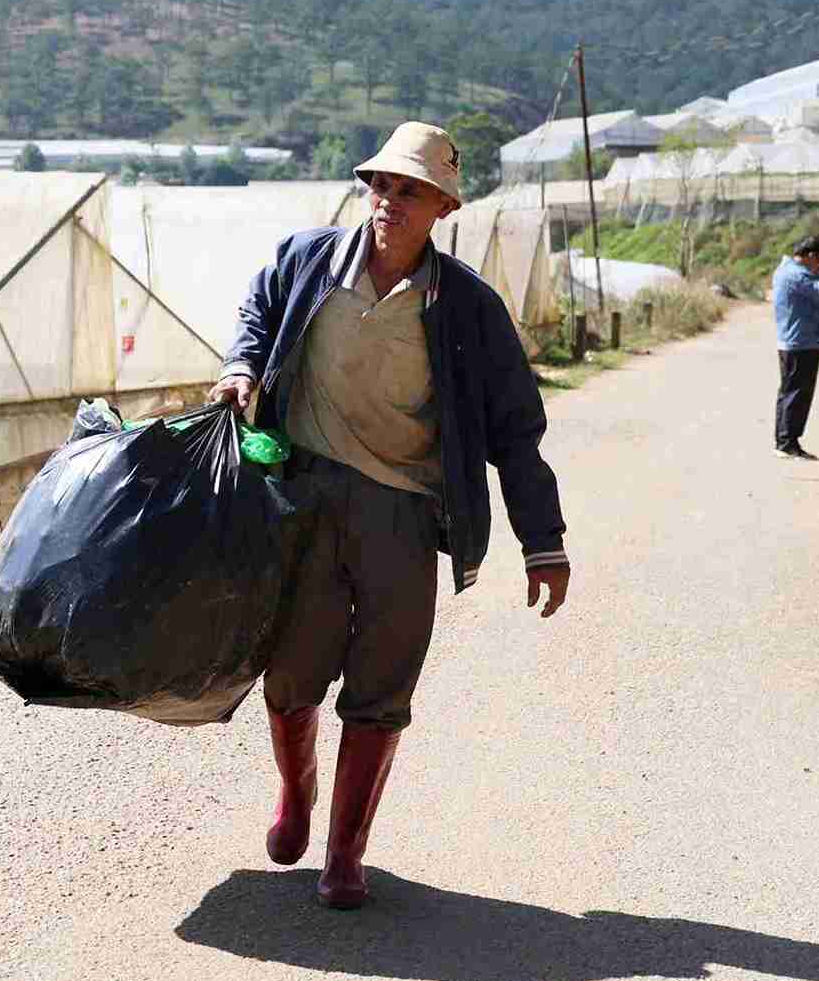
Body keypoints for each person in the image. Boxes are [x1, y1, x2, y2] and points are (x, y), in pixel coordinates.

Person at [207, 120, 570, 910]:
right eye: (380, 185)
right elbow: (256, 317)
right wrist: (240, 366)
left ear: (442, 205)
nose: (388, 202)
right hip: (300, 499)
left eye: (409, 191)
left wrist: (542, 541)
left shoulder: (467, 306)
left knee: (383, 683)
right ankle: (295, 798)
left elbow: (515, 427)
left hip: (402, 511)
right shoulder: (306, 260)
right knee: (291, 673)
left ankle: (344, 853)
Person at [771, 234, 819, 460]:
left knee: (792, 392)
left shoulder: (787, 271)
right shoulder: (795, 275)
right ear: (810, 256)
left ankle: (786, 441)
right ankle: (787, 443)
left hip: (797, 341)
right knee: (796, 394)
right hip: (799, 343)